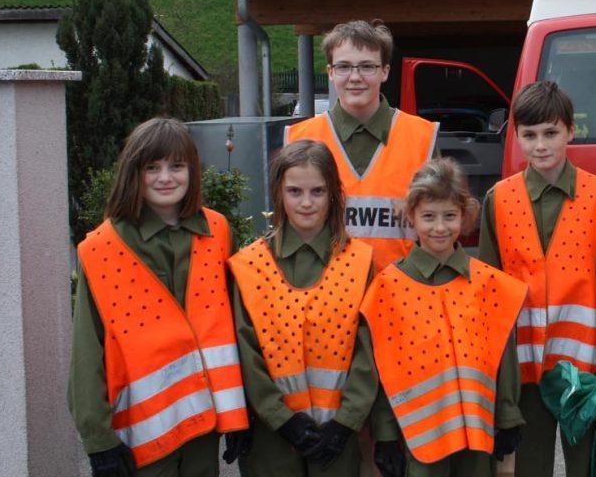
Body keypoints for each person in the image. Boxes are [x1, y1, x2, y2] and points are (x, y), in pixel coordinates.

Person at [69, 117, 250, 477]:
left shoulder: (217, 231)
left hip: (205, 424)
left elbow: (235, 327)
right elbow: (87, 351)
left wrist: (243, 414)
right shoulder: (102, 247)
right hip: (141, 434)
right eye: (152, 167)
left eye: (177, 166)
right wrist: (98, 440)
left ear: (192, 170)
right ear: (133, 173)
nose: (165, 177)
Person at [477, 81, 596, 477]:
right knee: (530, 466)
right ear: (516, 136)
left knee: (586, 465)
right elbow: (488, 290)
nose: (541, 145)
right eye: (529, 135)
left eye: (551, 133)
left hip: (584, 366)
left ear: (570, 132)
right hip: (523, 368)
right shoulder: (499, 199)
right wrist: (490, 362)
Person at [362, 159, 527, 477]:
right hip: (420, 442)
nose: (440, 227)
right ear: (411, 216)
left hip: (477, 435)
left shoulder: (488, 284)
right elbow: (382, 369)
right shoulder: (387, 288)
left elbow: (503, 358)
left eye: (449, 216)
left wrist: (507, 417)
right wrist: (385, 435)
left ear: (464, 216)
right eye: (428, 216)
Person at [227, 140, 380, 477]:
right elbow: (246, 355)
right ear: (278, 193)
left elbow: (368, 353)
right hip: (272, 440)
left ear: (333, 194)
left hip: (336, 440)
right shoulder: (249, 265)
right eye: (294, 191)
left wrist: (346, 423)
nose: (307, 203)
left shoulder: (360, 261)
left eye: (318, 191)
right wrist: (282, 419)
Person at [285, 19, 439, 273]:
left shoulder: (422, 137)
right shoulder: (299, 138)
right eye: (344, 66)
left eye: (367, 66)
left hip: (403, 289)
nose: (355, 77)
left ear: (385, 72)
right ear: (330, 72)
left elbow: (440, 229)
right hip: (325, 290)